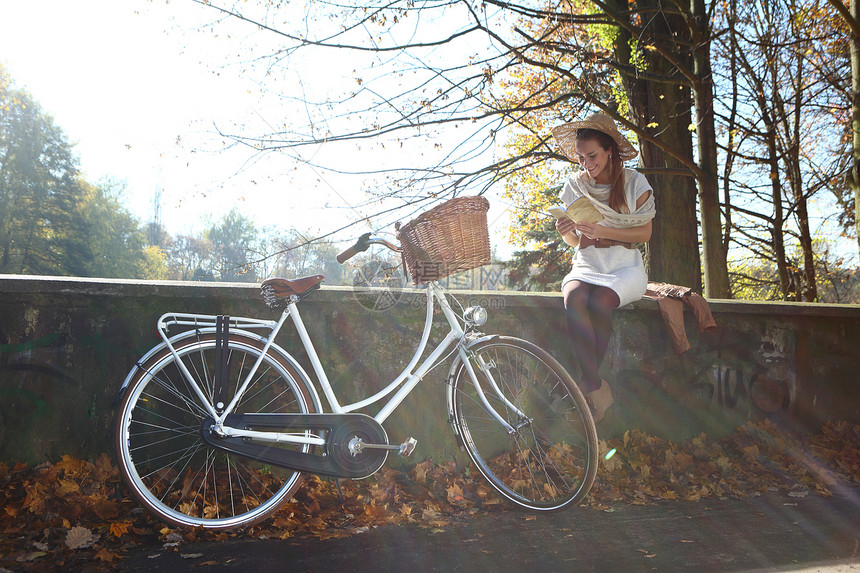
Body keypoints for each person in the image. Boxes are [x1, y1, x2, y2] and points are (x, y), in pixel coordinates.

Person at [550, 113, 656, 421]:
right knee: (574, 298)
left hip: (625, 267)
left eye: (592, 155)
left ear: (610, 150)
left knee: (598, 302)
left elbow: (645, 233)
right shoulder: (574, 185)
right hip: (586, 264)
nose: (586, 163)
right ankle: (594, 385)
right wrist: (566, 231)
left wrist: (605, 232)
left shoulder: (634, 182)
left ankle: (582, 389)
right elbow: (573, 241)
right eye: (581, 157)